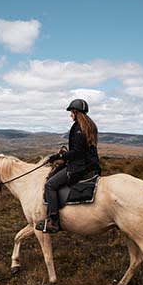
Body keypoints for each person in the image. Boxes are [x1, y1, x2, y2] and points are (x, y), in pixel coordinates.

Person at [35, 99, 101, 233]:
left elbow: (77, 152)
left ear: (76, 112)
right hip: (91, 165)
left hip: (79, 167)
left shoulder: (78, 128)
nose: (70, 115)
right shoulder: (90, 126)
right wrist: (66, 154)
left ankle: (53, 221)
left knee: (50, 185)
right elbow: (82, 150)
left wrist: (59, 156)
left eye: (72, 112)